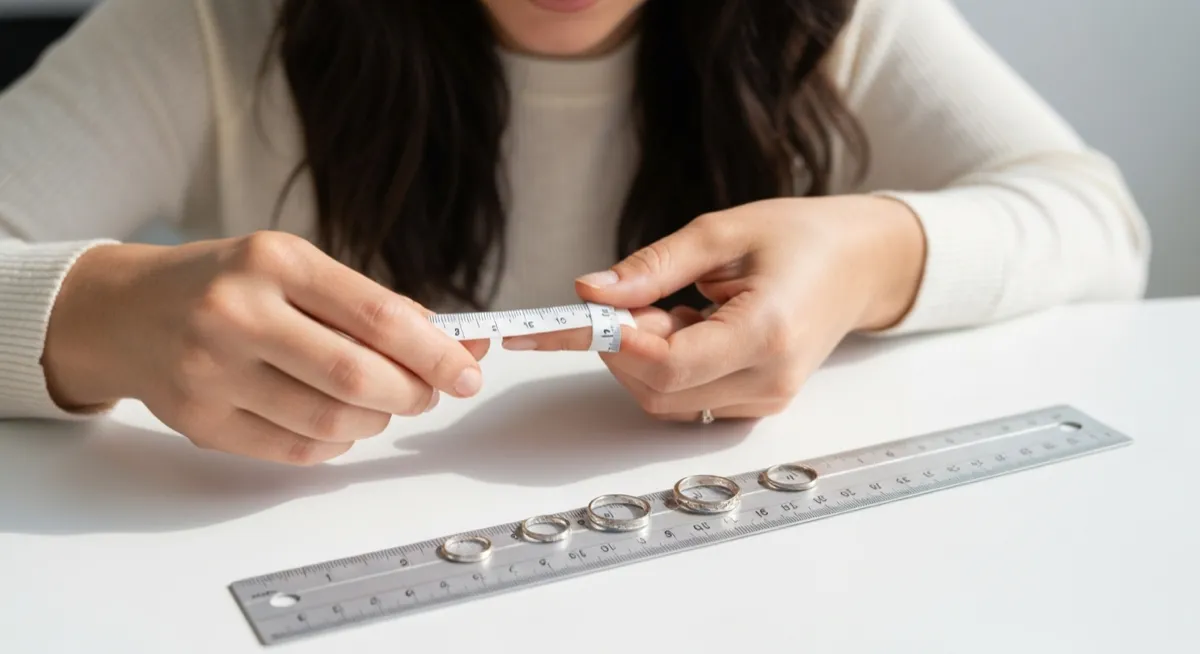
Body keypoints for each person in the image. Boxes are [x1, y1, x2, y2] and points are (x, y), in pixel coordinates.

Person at [0, 0, 1150, 465]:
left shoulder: (835, 16)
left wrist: (876, 255)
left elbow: (1096, 220)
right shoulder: (215, 20)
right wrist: (89, 315)